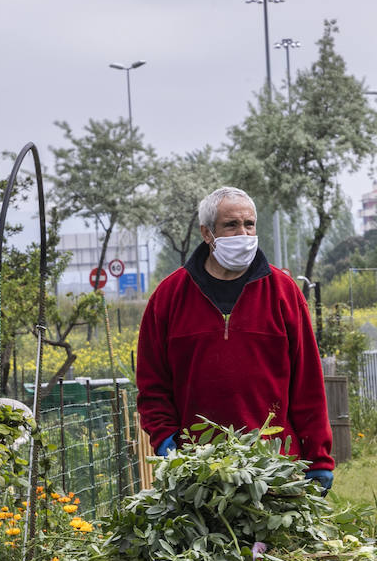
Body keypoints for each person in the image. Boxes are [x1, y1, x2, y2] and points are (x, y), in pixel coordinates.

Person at [136, 185, 334, 492]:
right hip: (197, 471)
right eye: (231, 225)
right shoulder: (169, 297)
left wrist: (318, 457)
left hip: (273, 469)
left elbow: (307, 382)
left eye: (249, 224)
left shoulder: (283, 293)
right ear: (207, 233)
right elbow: (152, 385)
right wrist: (165, 439)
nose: (243, 233)